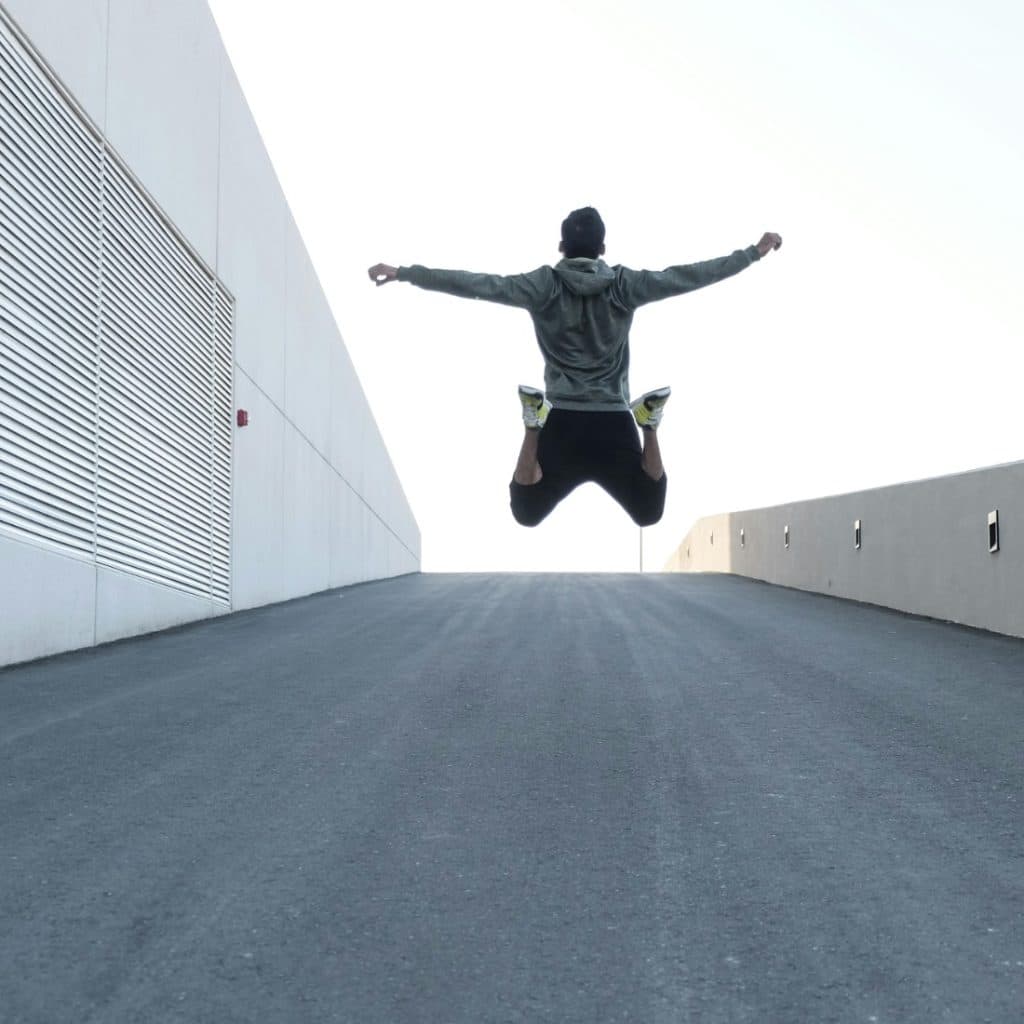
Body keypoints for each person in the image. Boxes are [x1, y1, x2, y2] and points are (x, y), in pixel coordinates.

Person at [368, 208, 781, 528]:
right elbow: (688, 276)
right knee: (648, 511)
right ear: (603, 249)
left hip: (560, 419)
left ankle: (533, 422)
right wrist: (752, 253)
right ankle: (649, 423)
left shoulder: (543, 284)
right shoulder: (624, 284)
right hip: (613, 422)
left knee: (526, 512)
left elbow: (479, 284)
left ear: (561, 246)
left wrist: (406, 273)